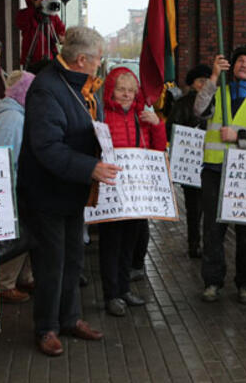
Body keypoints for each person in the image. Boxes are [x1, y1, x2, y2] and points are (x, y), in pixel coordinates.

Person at [17, 26, 121, 356]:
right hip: (46, 193)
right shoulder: (46, 89)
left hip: (72, 189)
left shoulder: (82, 86)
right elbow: (47, 147)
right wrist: (90, 167)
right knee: (51, 263)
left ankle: (70, 318)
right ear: (81, 60)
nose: (100, 65)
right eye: (98, 59)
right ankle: (46, 327)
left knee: (73, 259)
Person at [194, 45, 246, 304]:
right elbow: (198, 110)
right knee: (213, 230)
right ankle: (212, 282)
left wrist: (238, 137)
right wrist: (213, 77)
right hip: (215, 170)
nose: (243, 64)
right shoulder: (217, 92)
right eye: (239, 60)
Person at [98, 66, 166, 316]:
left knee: (130, 241)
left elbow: (158, 151)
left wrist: (158, 125)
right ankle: (111, 294)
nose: (126, 95)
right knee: (111, 243)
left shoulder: (143, 117)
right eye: (121, 90)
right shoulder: (102, 116)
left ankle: (124, 288)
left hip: (137, 192)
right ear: (111, 91)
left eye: (131, 90)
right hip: (111, 191)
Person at [0, 70, 36, 303]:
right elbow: (5, 159)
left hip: (21, 185)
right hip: (14, 188)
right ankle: (4, 283)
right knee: (16, 237)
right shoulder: (12, 118)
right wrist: (12, 192)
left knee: (26, 235)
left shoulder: (19, 114)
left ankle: (21, 278)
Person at [166, 64, 212, 258]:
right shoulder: (183, 103)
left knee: (202, 208)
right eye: (200, 81)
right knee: (194, 208)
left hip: (204, 162)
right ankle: (195, 243)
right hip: (190, 164)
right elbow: (171, 129)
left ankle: (202, 243)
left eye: (207, 81)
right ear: (193, 84)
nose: (203, 85)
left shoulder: (215, 101)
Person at [16, 0, 66, 73]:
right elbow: (19, 23)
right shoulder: (26, 14)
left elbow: (61, 31)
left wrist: (62, 37)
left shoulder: (52, 16)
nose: (40, 0)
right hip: (32, 61)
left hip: (50, 59)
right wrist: (34, 8)